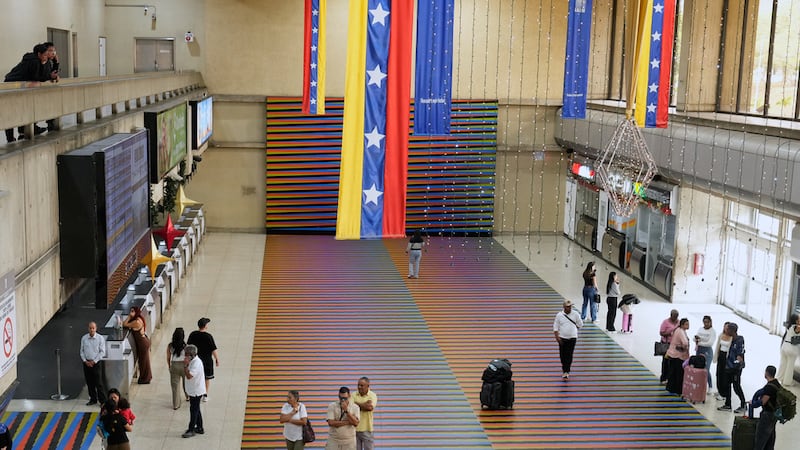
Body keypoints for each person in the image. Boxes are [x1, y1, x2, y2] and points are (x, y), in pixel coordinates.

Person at [3, 43, 57, 142]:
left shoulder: (42, 61)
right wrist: (50, 76)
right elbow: (36, 78)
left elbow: (43, 75)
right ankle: (11, 137)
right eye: (46, 54)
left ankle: (19, 132)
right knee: (11, 112)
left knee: (18, 110)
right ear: (39, 54)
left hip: (19, 86)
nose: (48, 56)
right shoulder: (34, 61)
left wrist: (53, 66)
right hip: (12, 85)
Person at [187, 317, 219, 401]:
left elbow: (188, 347)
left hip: (194, 360)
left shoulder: (193, 334)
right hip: (207, 361)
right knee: (206, 378)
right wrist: (217, 359)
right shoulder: (208, 336)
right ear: (205, 326)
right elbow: (213, 349)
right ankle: (205, 395)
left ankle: (192, 394)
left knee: (194, 376)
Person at [718, 322, 747, 413]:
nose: (726, 331)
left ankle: (743, 404)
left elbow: (740, 353)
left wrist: (739, 362)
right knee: (727, 385)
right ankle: (728, 404)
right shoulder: (729, 339)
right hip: (728, 366)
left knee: (736, 386)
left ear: (732, 331)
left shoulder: (739, 340)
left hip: (736, 368)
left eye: (728, 329)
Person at [553, 299, 583, 380]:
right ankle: (564, 368)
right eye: (567, 307)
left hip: (572, 338)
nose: (569, 308)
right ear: (564, 307)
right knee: (562, 355)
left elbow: (580, 324)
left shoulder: (575, 314)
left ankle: (566, 371)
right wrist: (557, 337)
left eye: (570, 307)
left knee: (569, 354)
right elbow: (555, 327)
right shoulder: (559, 315)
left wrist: (574, 329)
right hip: (562, 338)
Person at [754, 365, 781, 450]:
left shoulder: (769, 387)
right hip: (774, 415)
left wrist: (754, 403)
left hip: (767, 415)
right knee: (770, 440)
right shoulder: (777, 384)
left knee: (760, 440)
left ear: (766, 373)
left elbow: (763, 401)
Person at [122, 306, 152, 384]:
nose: (131, 313)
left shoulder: (136, 322)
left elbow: (124, 324)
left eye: (132, 311)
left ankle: (145, 378)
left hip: (142, 343)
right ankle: (146, 377)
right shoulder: (139, 319)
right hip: (143, 342)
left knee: (143, 362)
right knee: (145, 361)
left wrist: (129, 316)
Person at [80, 321, 106, 406]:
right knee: (89, 382)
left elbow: (102, 352)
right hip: (86, 364)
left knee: (98, 383)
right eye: (90, 328)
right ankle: (93, 399)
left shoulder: (100, 338)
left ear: (96, 328)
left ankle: (102, 401)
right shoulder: (84, 338)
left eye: (93, 328)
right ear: (88, 328)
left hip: (96, 363)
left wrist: (94, 361)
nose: (91, 330)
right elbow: (81, 351)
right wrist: (85, 361)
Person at [182, 344, 206, 438]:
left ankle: (191, 429)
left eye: (186, 354)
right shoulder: (194, 361)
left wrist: (185, 365)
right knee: (196, 409)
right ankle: (200, 427)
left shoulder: (196, 363)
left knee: (193, 410)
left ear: (191, 355)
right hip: (193, 390)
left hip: (196, 391)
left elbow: (189, 376)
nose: (185, 356)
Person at [325, 386, 360, 450]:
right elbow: (331, 423)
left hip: (349, 441)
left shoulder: (355, 407)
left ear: (349, 396)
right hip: (334, 440)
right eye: (341, 398)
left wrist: (346, 411)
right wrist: (348, 422)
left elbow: (356, 423)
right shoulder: (332, 406)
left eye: (345, 398)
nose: (342, 400)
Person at [665, 318, 690, 395]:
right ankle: (678, 389)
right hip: (678, 355)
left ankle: (671, 388)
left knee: (672, 372)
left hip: (672, 354)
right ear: (682, 325)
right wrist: (685, 348)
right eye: (686, 324)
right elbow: (685, 343)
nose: (688, 325)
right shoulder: (681, 332)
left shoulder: (678, 330)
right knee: (678, 374)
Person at [352, 377, 377, 450]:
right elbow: (351, 408)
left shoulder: (372, 395)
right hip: (355, 430)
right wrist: (364, 404)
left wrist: (357, 404)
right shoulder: (353, 394)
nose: (359, 387)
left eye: (362, 385)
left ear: (368, 386)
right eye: (358, 385)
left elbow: (369, 408)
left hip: (367, 429)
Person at [166, 327, 188, 409]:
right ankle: (187, 396)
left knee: (175, 386)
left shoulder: (170, 346)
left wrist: (169, 366)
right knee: (186, 383)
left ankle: (176, 404)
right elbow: (188, 358)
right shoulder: (186, 346)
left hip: (174, 365)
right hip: (184, 366)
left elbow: (168, 357)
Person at [694, 315, 716, 392]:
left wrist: (699, 342)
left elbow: (710, 343)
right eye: (704, 322)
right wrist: (697, 339)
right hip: (699, 350)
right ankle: (699, 384)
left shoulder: (712, 331)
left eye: (707, 322)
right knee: (698, 367)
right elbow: (695, 338)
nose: (706, 324)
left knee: (706, 369)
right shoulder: (700, 329)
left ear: (710, 322)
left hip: (707, 352)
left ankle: (710, 386)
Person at [776, 313, 799, 386]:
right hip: (792, 349)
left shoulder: (788, 325)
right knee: (790, 366)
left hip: (784, 347)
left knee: (783, 364)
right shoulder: (797, 327)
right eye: (798, 319)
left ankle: (779, 377)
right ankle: (787, 382)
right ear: (795, 320)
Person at [659, 309, 680, 383]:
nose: (676, 318)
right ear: (671, 315)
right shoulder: (665, 322)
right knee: (665, 362)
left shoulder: (679, 322)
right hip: (666, 345)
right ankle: (663, 377)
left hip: (674, 345)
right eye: (674, 316)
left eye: (677, 316)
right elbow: (661, 333)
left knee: (673, 362)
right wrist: (670, 332)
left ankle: (670, 378)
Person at [715, 322, 732, 401]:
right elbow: (718, 346)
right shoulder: (721, 335)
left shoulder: (732, 338)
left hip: (727, 357)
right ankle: (719, 390)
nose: (726, 329)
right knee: (719, 374)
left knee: (724, 376)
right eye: (725, 327)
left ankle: (724, 393)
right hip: (721, 355)